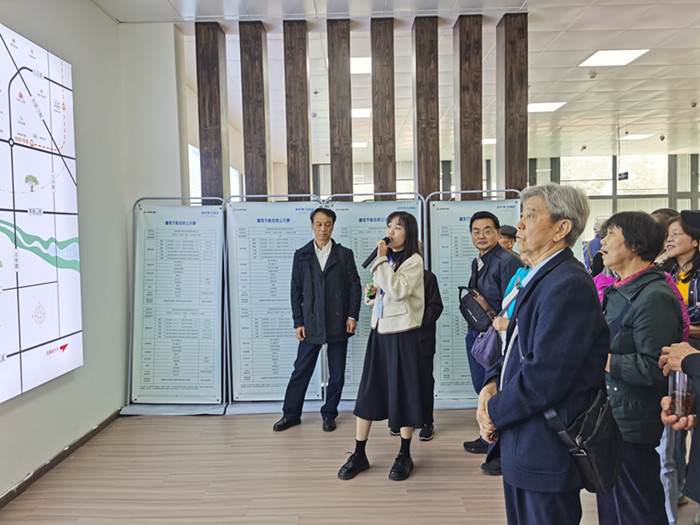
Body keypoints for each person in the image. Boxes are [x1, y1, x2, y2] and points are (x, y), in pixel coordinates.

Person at [476, 183, 609, 524]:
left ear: (561, 228)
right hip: (525, 441)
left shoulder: (568, 284)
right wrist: (491, 384)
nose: (519, 224)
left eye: (531, 216)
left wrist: (493, 412)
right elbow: (514, 347)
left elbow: (545, 377)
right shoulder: (540, 277)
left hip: (546, 448)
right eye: (522, 215)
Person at [595, 211, 683, 525]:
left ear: (634, 244)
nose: (602, 243)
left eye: (610, 235)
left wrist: (599, 358)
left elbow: (654, 367)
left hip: (631, 423)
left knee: (636, 509)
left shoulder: (654, 297)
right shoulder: (619, 289)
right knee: (612, 506)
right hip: (611, 416)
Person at [337, 211, 425, 482]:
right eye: (389, 226)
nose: (390, 232)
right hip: (380, 332)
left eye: (397, 228)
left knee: (404, 392)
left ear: (409, 232)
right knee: (368, 391)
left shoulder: (414, 261)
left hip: (403, 334)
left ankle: (404, 454)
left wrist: (381, 260)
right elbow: (382, 291)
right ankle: (359, 454)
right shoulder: (388, 259)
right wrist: (372, 292)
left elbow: (398, 290)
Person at [273, 208, 361, 433]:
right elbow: (295, 291)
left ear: (333, 226)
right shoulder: (302, 255)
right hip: (311, 321)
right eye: (319, 224)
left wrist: (352, 316)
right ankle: (291, 414)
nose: (323, 229)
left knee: (337, 373)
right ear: (312, 225)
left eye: (328, 224)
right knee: (301, 370)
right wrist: (298, 322)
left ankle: (329, 414)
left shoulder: (344, 255)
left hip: (338, 321)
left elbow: (355, 287)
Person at [463, 211, 523, 461]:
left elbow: (513, 303)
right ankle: (487, 436)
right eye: (476, 231)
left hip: (497, 337)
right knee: (483, 388)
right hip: (479, 333)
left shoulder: (507, 261)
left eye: (487, 230)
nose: (481, 236)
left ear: (498, 233)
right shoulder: (479, 260)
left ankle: (498, 449)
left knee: (495, 389)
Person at [389, 267, 443, 441]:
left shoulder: (428, 277)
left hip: (422, 339)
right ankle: (402, 420)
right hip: (398, 340)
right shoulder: (394, 278)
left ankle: (427, 422)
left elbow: (436, 306)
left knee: (424, 381)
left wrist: (416, 321)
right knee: (400, 381)